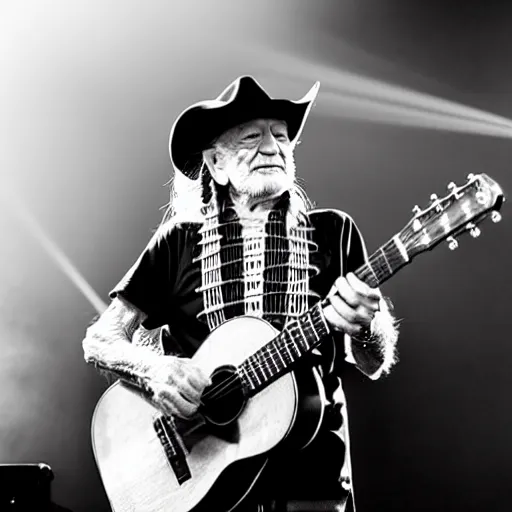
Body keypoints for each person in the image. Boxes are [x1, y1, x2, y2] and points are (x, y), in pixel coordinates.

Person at [82, 75, 399, 512]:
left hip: (312, 482)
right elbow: (100, 339)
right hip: (205, 482)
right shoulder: (179, 241)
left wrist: (368, 327)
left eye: (282, 136)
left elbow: (374, 364)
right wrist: (154, 370)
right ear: (216, 163)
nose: (273, 147)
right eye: (253, 137)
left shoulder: (333, 232)